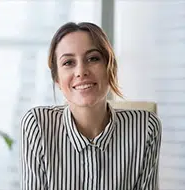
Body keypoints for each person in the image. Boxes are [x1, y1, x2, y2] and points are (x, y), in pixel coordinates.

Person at [21, 22, 162, 190]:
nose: (81, 71)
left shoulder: (145, 128)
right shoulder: (37, 125)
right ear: (57, 78)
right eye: (68, 62)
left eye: (93, 58)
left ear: (110, 68)